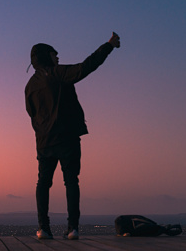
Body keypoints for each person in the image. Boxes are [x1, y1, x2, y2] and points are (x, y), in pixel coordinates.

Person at [25, 32, 120, 240]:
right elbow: (85, 67)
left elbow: (31, 113)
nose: (58, 58)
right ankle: (72, 228)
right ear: (46, 57)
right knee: (71, 182)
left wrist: (41, 131)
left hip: (43, 142)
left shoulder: (30, 86)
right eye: (54, 54)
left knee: (43, 183)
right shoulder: (57, 73)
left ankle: (44, 229)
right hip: (67, 138)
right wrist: (109, 46)